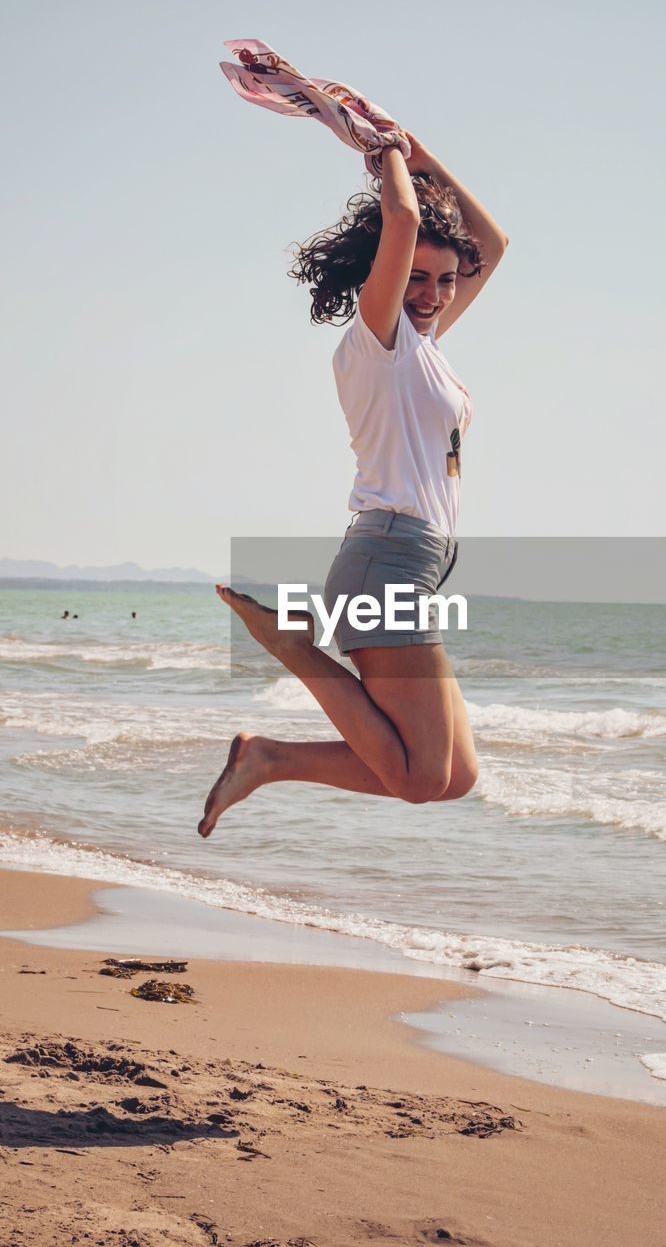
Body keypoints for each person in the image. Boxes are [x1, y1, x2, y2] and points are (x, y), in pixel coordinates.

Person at [200, 133, 508, 836]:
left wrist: (421, 151)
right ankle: (290, 648)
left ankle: (269, 758)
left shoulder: (423, 350)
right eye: (416, 279)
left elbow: (493, 241)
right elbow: (400, 221)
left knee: (455, 778)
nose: (432, 295)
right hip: (387, 559)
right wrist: (386, 153)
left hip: (414, 565)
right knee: (419, 777)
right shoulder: (378, 344)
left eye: (445, 281)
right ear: (387, 278)